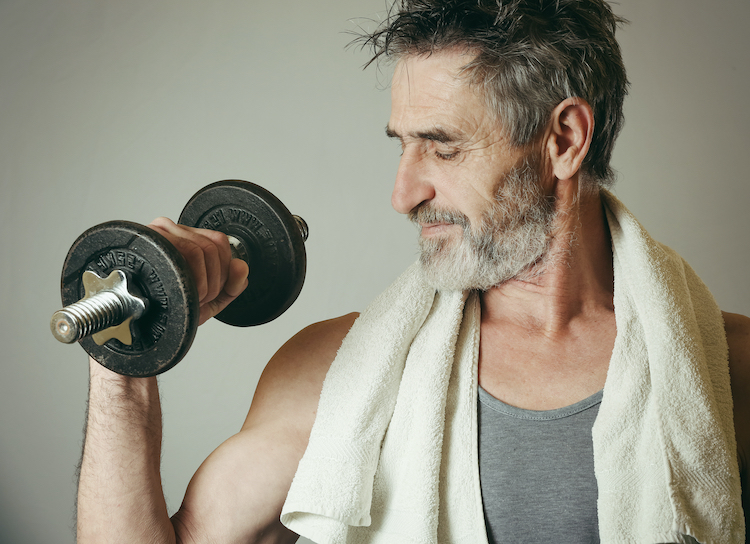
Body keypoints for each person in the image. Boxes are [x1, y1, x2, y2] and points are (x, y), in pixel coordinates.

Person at [76, 0, 750, 543]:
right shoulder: (335, 376)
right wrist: (123, 362)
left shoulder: (727, 375)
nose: (403, 195)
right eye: (404, 145)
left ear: (564, 140)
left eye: (443, 147)